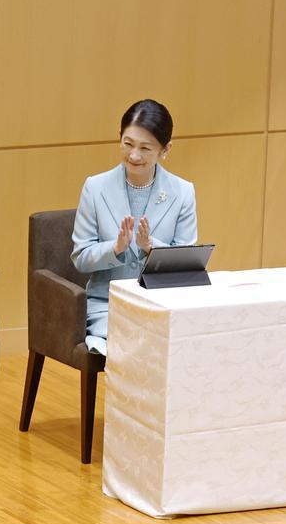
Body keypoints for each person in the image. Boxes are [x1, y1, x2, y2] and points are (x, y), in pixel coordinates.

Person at [71, 99, 199, 356]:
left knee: (186, 343)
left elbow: (187, 262)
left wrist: (152, 247)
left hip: (161, 305)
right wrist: (115, 249)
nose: (134, 155)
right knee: (139, 344)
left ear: (165, 149)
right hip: (107, 306)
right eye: (128, 144)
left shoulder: (183, 192)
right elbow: (81, 259)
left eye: (145, 148)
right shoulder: (95, 188)